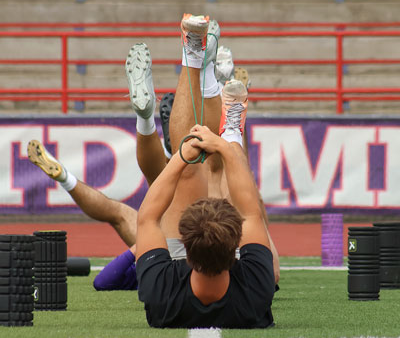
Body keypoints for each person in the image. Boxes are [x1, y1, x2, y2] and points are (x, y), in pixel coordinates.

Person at [27, 15, 280, 297]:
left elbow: (107, 275)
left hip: (186, 241)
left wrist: (144, 242)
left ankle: (172, 103)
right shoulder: (167, 303)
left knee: (134, 208)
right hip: (222, 249)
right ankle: (216, 97)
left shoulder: (165, 302)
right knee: (238, 195)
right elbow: (253, 213)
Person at [133, 13, 275, 328]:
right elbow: (251, 212)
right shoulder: (256, 291)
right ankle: (232, 126)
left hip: (192, 296)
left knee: (191, 177)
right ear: (235, 247)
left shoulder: (164, 293)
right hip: (239, 296)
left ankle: (194, 56)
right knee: (272, 263)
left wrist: (182, 156)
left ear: (186, 248)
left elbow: (145, 217)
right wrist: (221, 145)